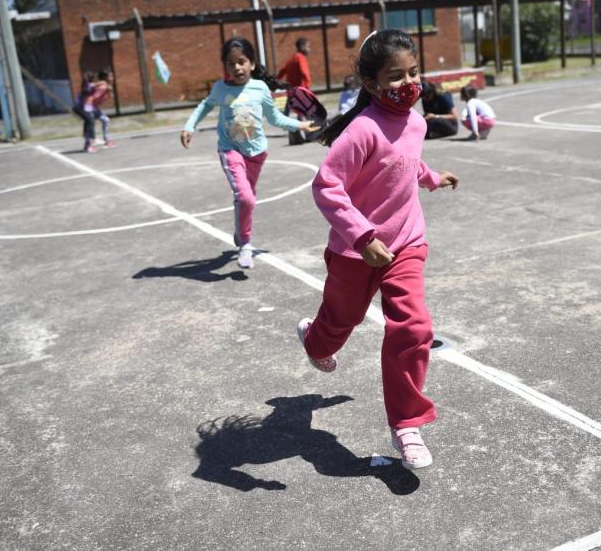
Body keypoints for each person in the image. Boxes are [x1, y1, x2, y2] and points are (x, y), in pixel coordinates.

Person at [296, 29, 459, 471]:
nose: (407, 83)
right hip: (357, 251)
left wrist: (431, 177)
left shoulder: (418, 121)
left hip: (405, 243)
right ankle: (314, 339)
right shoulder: (362, 130)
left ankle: (407, 423)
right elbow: (326, 186)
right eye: (394, 76)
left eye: (413, 72)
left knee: (413, 327)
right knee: (339, 323)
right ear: (370, 84)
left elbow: (405, 161)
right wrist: (363, 237)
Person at [180, 37, 317, 269]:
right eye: (231, 63)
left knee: (246, 200)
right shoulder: (220, 89)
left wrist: (299, 125)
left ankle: (239, 230)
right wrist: (189, 126)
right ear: (225, 66)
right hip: (230, 149)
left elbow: (274, 118)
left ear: (252, 64)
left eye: (241, 62)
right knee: (245, 197)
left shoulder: (260, 88)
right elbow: (205, 105)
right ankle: (245, 244)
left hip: (257, 153)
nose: (237, 67)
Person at [278, 37, 312, 116]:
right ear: (302, 47)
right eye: (308, 47)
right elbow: (305, 72)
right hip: (300, 88)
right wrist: (307, 86)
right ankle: (302, 123)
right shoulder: (301, 58)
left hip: (291, 88)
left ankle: (286, 120)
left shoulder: (292, 58)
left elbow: (283, 70)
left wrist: (278, 79)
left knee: (290, 104)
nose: (309, 49)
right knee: (302, 106)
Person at [90, 68, 115, 148]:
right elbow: (94, 98)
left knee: (105, 120)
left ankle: (106, 140)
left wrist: (109, 91)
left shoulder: (105, 86)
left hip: (93, 107)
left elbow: (110, 96)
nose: (112, 77)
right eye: (110, 76)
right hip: (90, 107)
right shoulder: (103, 87)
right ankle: (91, 142)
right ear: (105, 78)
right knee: (92, 123)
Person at [73, 71, 97, 153]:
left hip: (79, 107)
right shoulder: (90, 86)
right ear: (92, 79)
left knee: (88, 121)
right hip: (80, 107)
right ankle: (89, 139)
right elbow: (97, 86)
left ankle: (87, 141)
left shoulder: (86, 86)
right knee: (90, 121)